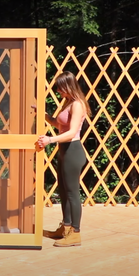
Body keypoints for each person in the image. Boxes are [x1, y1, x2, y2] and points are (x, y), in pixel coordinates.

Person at [37, 71, 91, 247]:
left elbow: (71, 132)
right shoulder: (68, 103)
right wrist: (44, 115)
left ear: (68, 86)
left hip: (73, 151)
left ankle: (75, 232)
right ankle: (65, 227)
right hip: (64, 151)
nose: (59, 91)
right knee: (63, 191)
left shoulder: (77, 104)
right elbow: (60, 125)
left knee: (72, 193)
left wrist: (49, 140)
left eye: (61, 88)